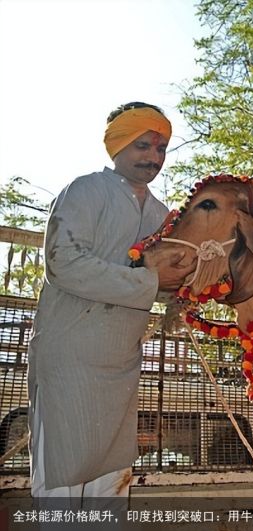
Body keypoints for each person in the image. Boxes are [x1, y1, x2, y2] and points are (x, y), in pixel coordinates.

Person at [26, 102, 195, 506]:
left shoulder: (161, 215)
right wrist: (150, 281)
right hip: (70, 360)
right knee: (62, 484)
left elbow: (172, 276)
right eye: (143, 146)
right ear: (116, 145)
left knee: (111, 487)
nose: (153, 158)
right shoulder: (86, 190)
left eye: (161, 149)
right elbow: (61, 262)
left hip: (121, 364)